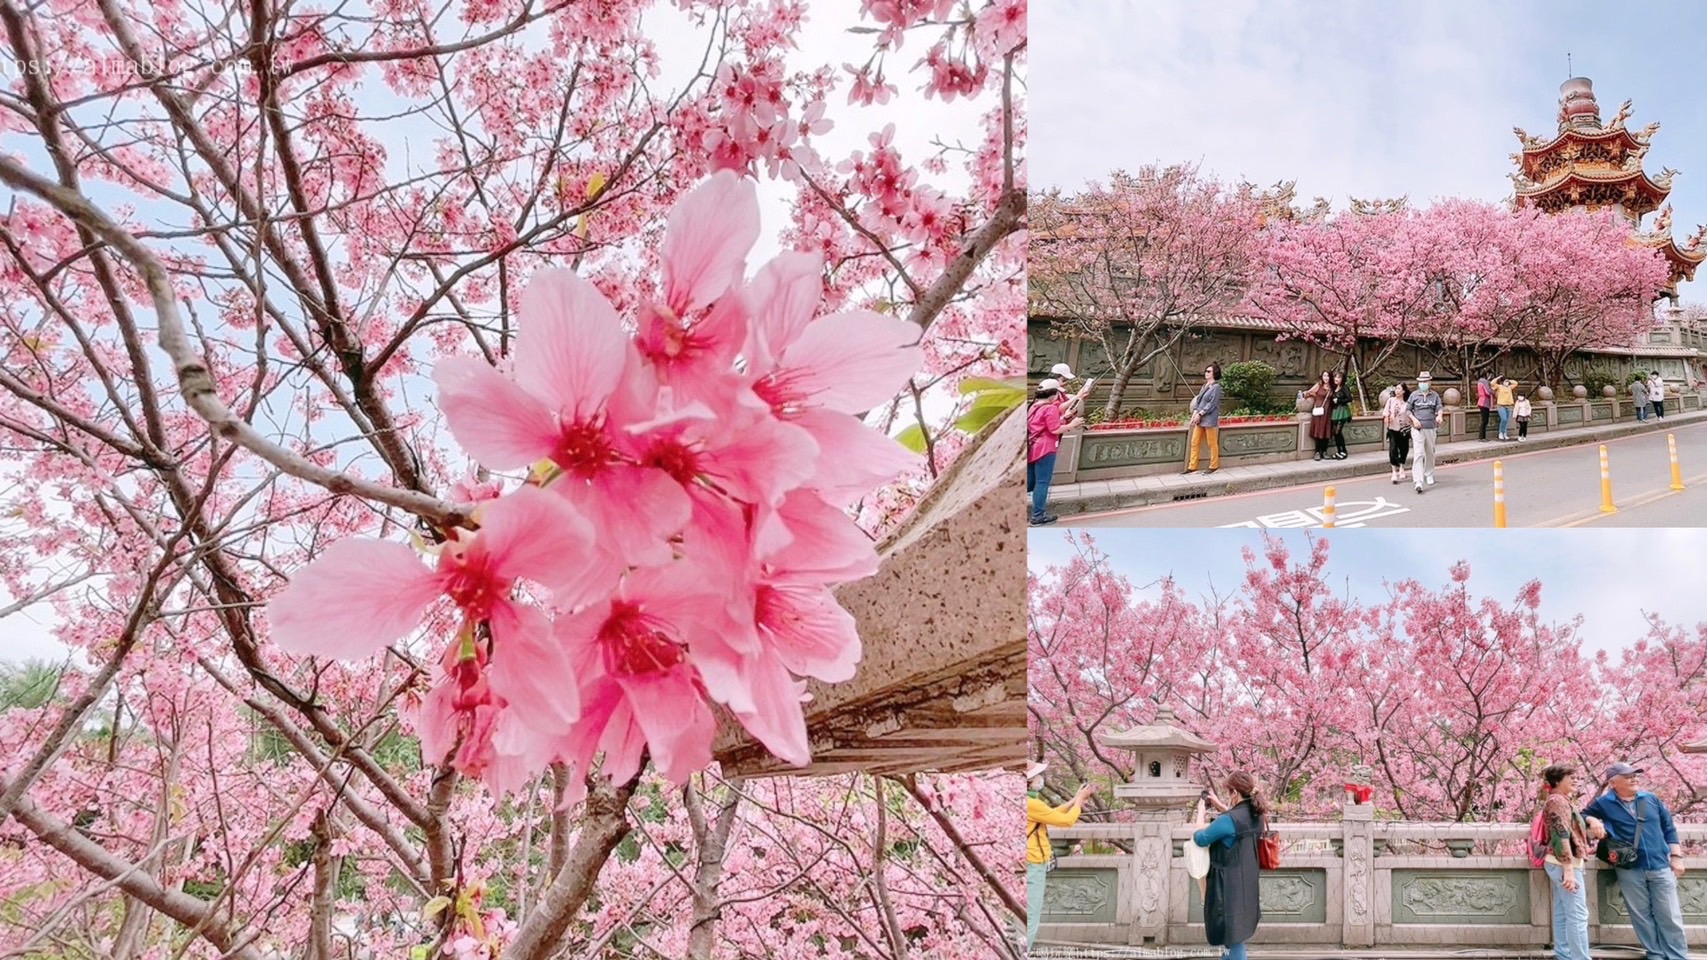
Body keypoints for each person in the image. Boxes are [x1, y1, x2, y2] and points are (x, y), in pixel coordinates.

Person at [1582, 763, 1689, 960]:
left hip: (1660, 865)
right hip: (1630, 868)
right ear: (1613, 782)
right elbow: (1582, 814)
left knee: (1670, 915)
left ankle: (1677, 956)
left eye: (1635, 775)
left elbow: (1669, 828)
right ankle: (1655, 954)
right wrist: (1593, 820)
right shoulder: (1604, 803)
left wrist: (1676, 856)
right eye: (1628, 776)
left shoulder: (1650, 799)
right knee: (1641, 916)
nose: (1634, 779)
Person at [1196, 771, 1267, 960]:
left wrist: (1201, 813)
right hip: (1247, 881)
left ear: (1234, 792)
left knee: (1234, 936)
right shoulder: (1256, 814)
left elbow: (1201, 838)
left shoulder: (1229, 820)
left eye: (1229, 792)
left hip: (1228, 885)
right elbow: (1237, 822)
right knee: (1235, 933)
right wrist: (1221, 806)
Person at [1026, 761, 1095, 950]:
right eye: (1037, 776)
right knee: (1031, 916)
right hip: (1033, 863)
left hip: (1029, 862)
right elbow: (1065, 821)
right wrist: (1079, 802)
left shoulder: (1031, 804)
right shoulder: (1031, 803)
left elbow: (1050, 814)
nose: (1041, 780)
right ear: (1029, 782)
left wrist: (1074, 800)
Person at [1536, 764, 1592, 960]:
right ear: (1557, 781)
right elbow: (1561, 835)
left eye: (1576, 776)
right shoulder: (1558, 802)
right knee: (1578, 915)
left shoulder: (1559, 800)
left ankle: (1565, 955)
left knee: (1563, 913)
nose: (1575, 780)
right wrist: (1568, 868)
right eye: (1570, 777)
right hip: (1564, 864)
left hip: (1557, 862)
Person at [1027, 379, 1081, 527]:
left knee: (1030, 482)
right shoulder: (1050, 408)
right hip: (1046, 448)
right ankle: (1038, 516)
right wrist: (1072, 424)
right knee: (1042, 482)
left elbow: (1045, 425)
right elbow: (1054, 429)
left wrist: (1064, 417)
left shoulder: (1033, 406)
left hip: (1033, 448)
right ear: (1053, 395)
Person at [1406, 371, 1443, 493]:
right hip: (1417, 428)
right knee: (1419, 453)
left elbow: (1439, 408)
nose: (1423, 383)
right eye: (1421, 381)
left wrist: (1439, 416)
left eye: (1425, 381)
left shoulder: (1435, 396)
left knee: (1430, 452)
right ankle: (1418, 481)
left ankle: (1429, 473)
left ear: (1430, 382)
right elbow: (1408, 410)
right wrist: (1414, 419)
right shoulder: (1414, 395)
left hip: (1431, 427)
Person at [1185, 363, 1225, 475]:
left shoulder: (1216, 387)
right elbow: (1199, 402)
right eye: (1206, 371)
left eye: (1209, 371)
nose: (1206, 373)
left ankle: (1214, 465)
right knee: (1194, 442)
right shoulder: (1205, 386)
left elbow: (1212, 404)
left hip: (1209, 418)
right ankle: (1192, 466)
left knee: (1211, 443)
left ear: (1214, 373)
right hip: (1199, 418)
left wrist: (1200, 414)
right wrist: (1195, 414)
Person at [1383, 381, 1412, 484]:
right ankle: (1394, 472)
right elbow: (1386, 412)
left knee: (1404, 449)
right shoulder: (1391, 401)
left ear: (1404, 391)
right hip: (1392, 428)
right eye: (1396, 389)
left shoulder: (1407, 403)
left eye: (1399, 389)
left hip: (1404, 429)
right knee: (1393, 448)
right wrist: (1387, 417)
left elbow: (1410, 414)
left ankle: (1402, 467)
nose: (1397, 391)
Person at [1304, 371, 1335, 461]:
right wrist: (1304, 395)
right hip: (1319, 412)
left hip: (1328, 412)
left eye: (1328, 376)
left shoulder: (1332, 388)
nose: (1326, 378)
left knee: (1326, 431)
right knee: (1318, 431)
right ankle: (1317, 452)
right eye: (1324, 376)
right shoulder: (1319, 385)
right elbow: (1309, 392)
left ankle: (1324, 451)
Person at [1330, 371, 1353, 459]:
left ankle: (1343, 451)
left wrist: (1339, 401)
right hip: (1336, 411)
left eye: (1339, 377)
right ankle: (1339, 451)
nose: (1336, 379)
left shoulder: (1344, 388)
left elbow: (1349, 399)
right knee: (1335, 433)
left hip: (1342, 411)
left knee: (1338, 432)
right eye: (1335, 377)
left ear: (1342, 379)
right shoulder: (1335, 387)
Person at [1495, 377, 1517, 441]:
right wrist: (1499, 377)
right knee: (1503, 419)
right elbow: (1492, 383)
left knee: (1506, 421)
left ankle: (1505, 433)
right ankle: (1500, 433)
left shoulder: (1510, 387)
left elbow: (1516, 383)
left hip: (1508, 405)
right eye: (1505, 381)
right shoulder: (1499, 387)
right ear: (1502, 382)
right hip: (1501, 405)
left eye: (1507, 382)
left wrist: (1509, 380)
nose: (1506, 382)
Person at [1476, 375, 1493, 441]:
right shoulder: (1484, 381)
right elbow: (1488, 392)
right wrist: (1492, 391)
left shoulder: (1479, 381)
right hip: (1484, 402)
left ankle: (1483, 437)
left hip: (1481, 401)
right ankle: (1482, 437)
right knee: (1485, 420)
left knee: (1484, 420)